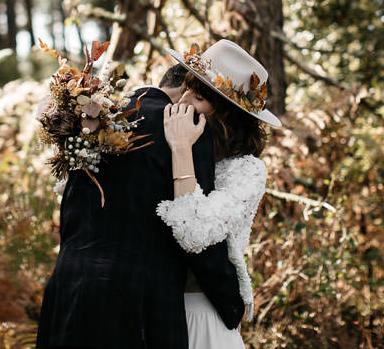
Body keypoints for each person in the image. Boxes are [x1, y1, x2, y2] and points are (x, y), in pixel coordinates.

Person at [36, 60, 247, 348]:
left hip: (66, 292)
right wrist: (231, 302)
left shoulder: (90, 120)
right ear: (185, 88)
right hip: (136, 306)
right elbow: (198, 235)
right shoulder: (187, 131)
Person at [156, 39, 281, 348]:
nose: (182, 102)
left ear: (228, 116)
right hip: (153, 313)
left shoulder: (247, 171)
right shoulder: (163, 146)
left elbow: (194, 233)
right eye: (185, 89)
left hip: (202, 317)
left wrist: (182, 147)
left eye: (197, 97)